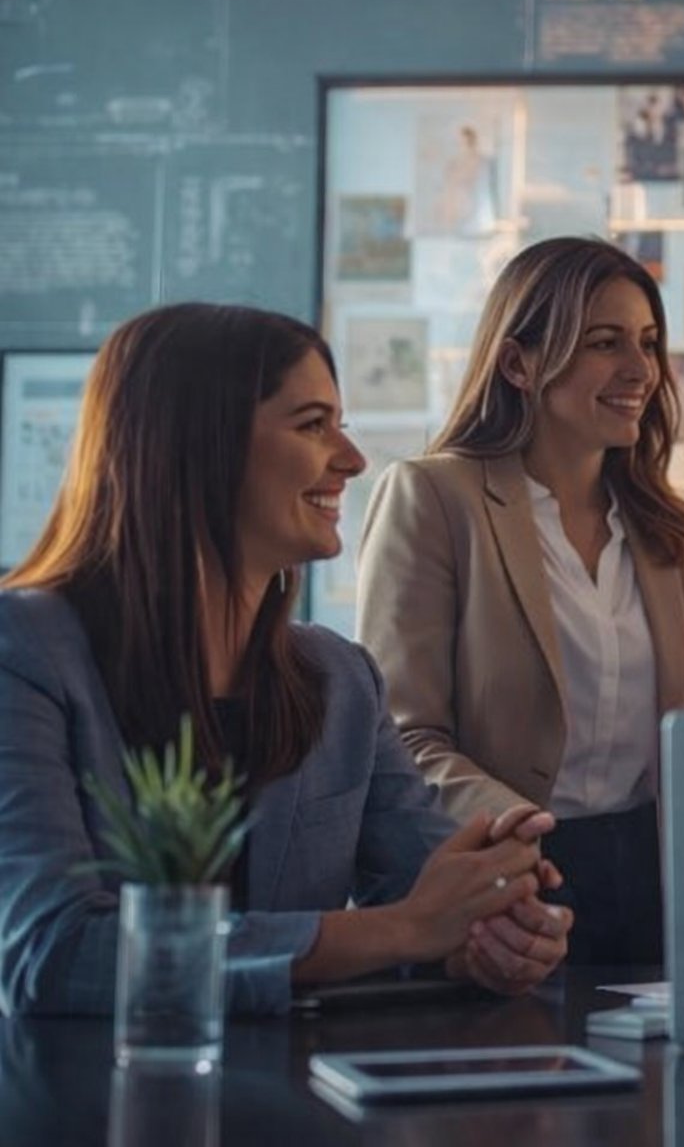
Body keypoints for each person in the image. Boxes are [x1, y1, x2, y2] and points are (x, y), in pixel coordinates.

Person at [0, 304, 569, 1016]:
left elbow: (426, 906)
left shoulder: (341, 679)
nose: (353, 459)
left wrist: (490, 931)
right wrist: (405, 928)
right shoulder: (25, 652)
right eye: (312, 424)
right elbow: (51, 952)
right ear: (195, 447)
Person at [360, 238, 684, 966]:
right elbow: (402, 739)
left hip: (656, 884)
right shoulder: (435, 498)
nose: (640, 370)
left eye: (647, 343)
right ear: (518, 363)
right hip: (505, 879)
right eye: (604, 343)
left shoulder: (670, 532)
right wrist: (518, 829)